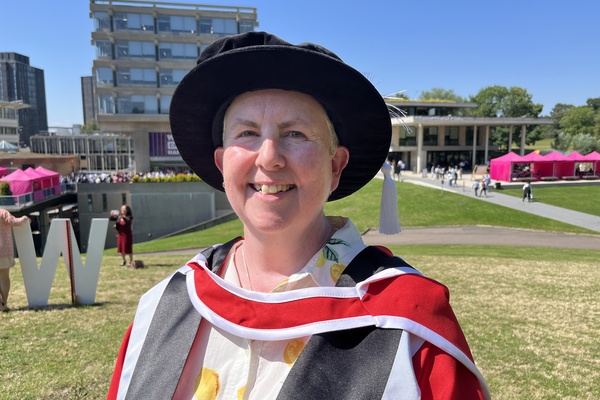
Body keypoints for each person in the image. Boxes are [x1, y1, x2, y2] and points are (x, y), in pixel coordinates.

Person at [107, 32, 489, 399]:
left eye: (295, 134)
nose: (269, 156)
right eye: (247, 133)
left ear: (335, 166)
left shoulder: (409, 326)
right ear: (223, 164)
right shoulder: (162, 308)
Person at [0, 208, 29, 312]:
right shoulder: (2, 212)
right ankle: (4, 302)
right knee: (4, 278)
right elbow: (12, 221)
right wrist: (24, 219)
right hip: (3, 250)